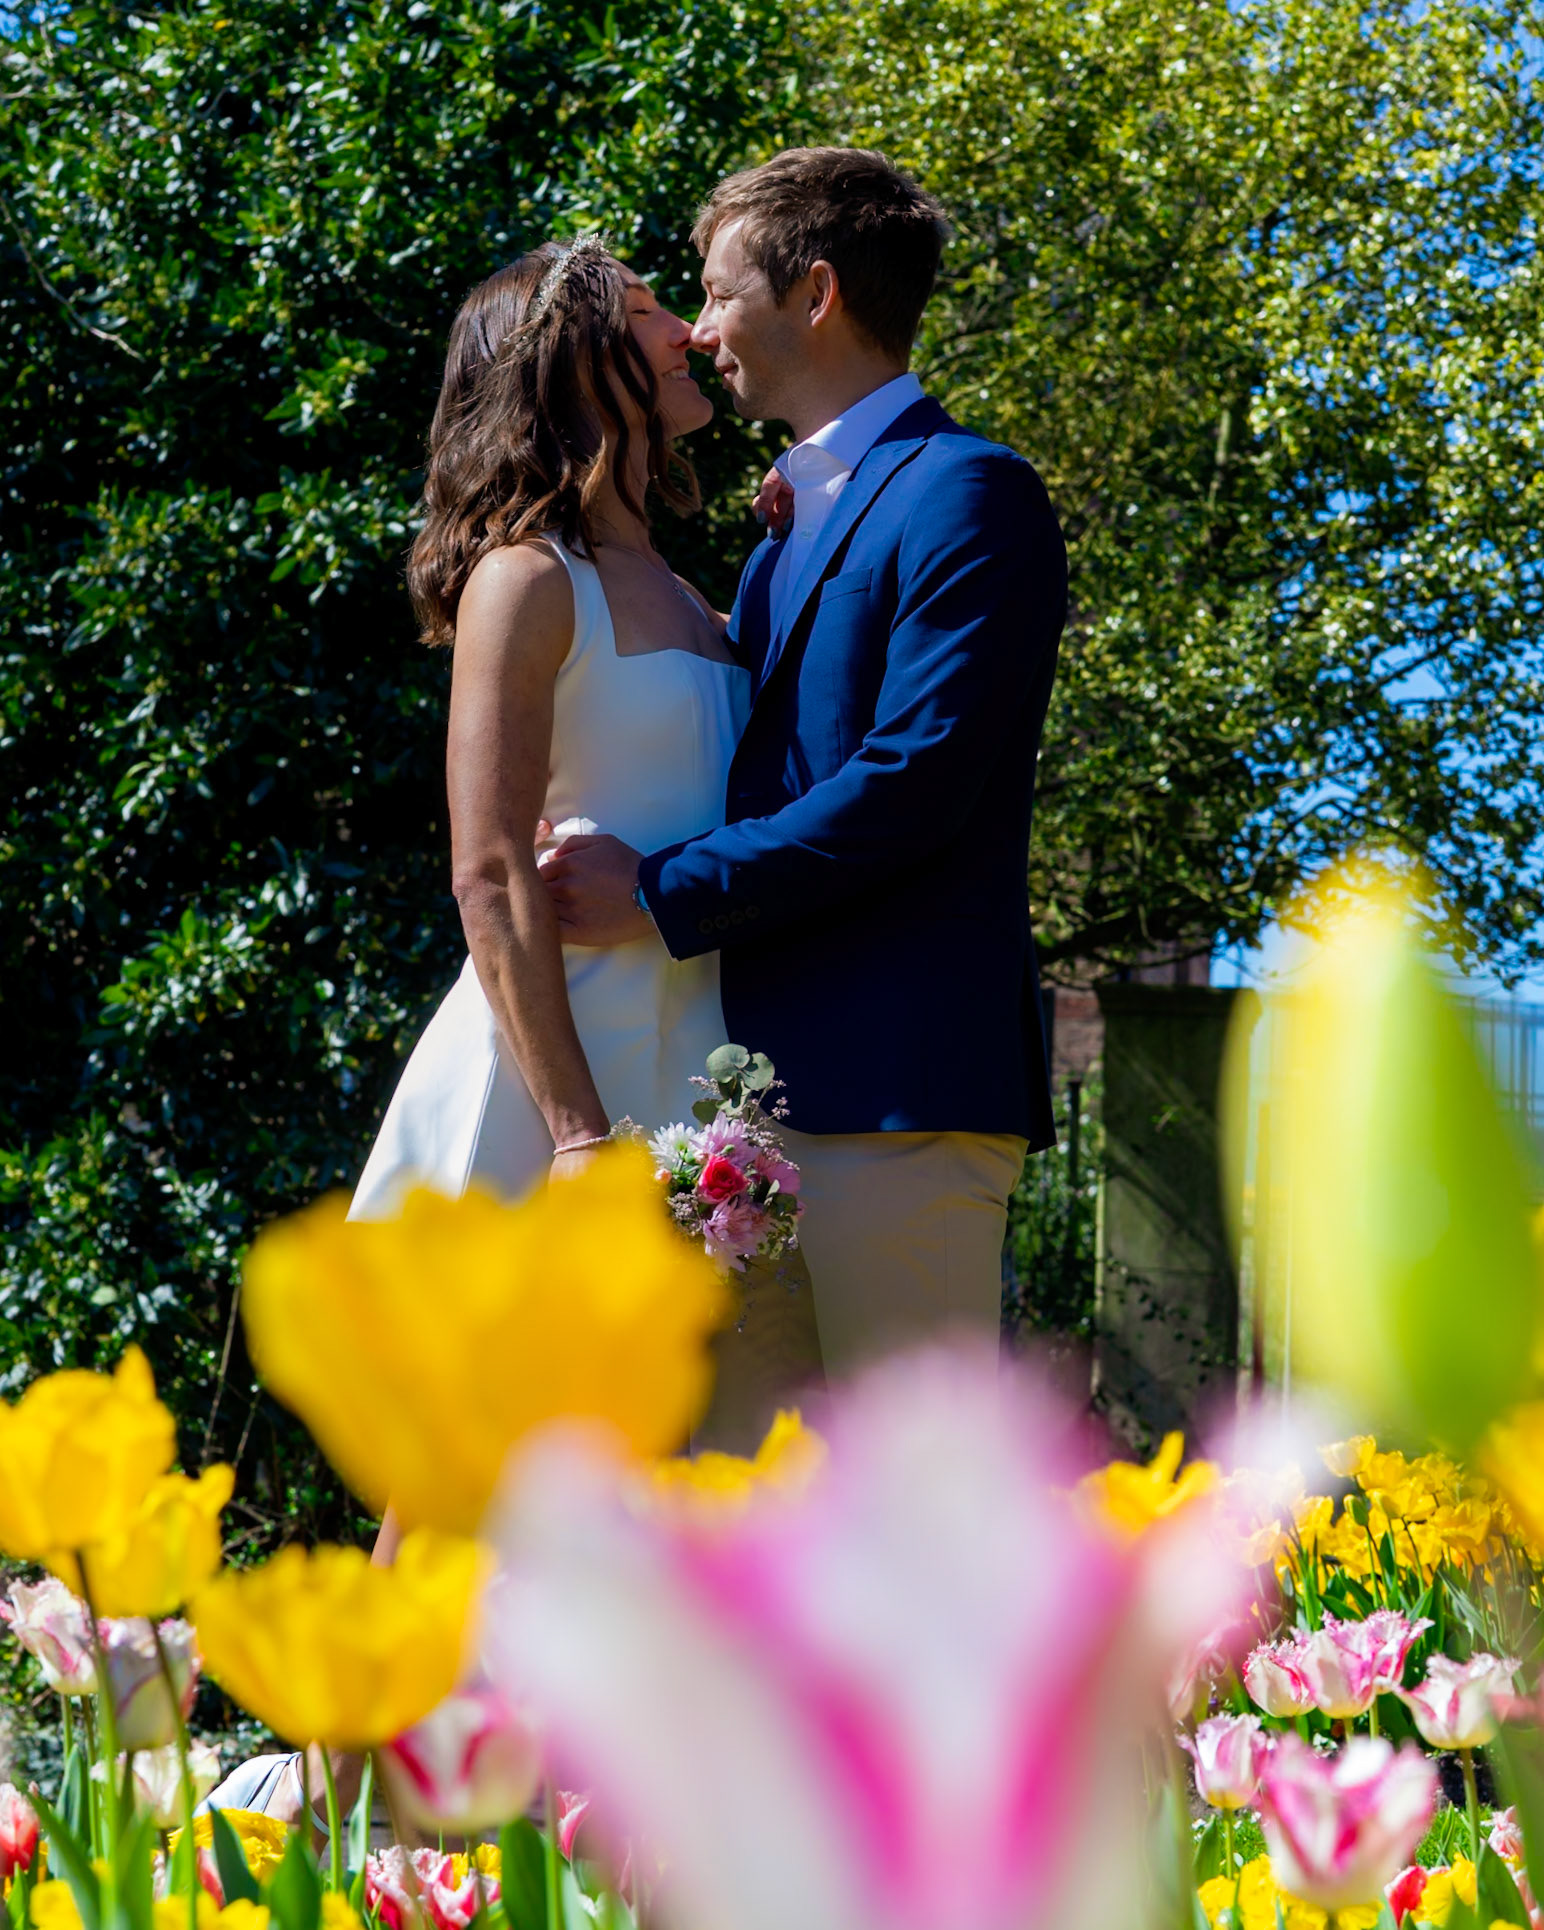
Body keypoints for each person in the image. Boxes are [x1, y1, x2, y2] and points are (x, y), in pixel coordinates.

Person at [540, 147, 1068, 1379]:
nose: (701, 329)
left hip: (901, 1098)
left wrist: (661, 889)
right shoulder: (781, 531)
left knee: (904, 1526)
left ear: (814, 294)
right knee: (743, 1525)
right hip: (746, 1124)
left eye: (720, 293)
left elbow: (912, 783)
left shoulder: (967, 492)